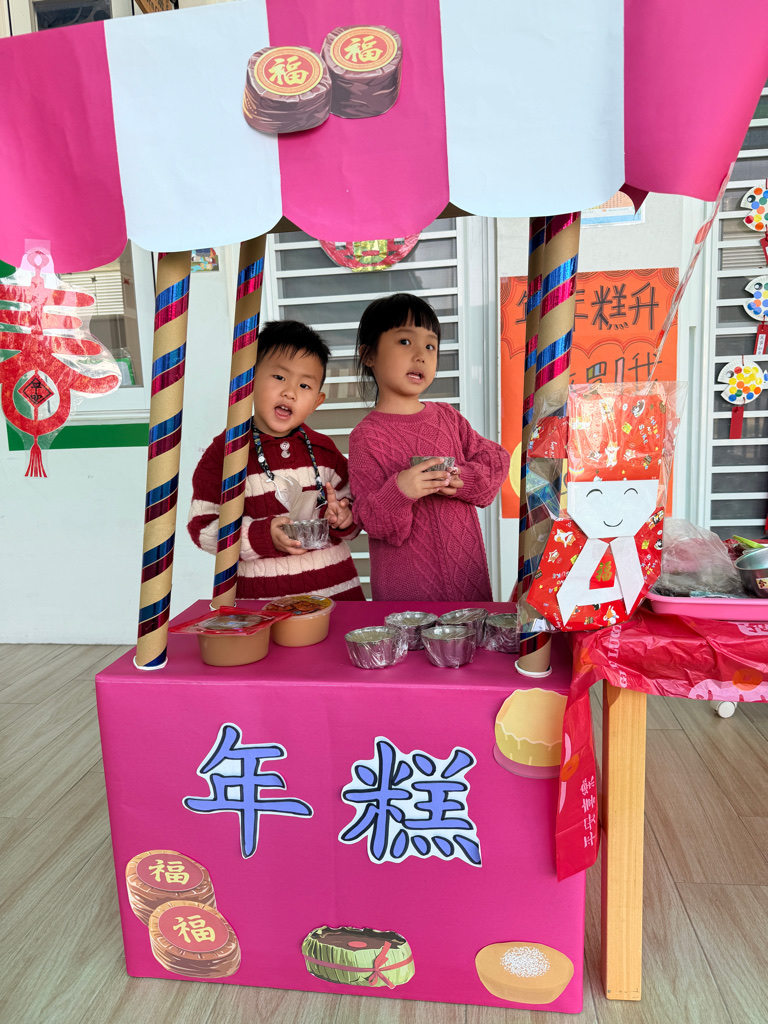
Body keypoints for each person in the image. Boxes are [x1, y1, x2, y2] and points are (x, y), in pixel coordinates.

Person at [348, 293, 510, 602]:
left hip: (467, 579)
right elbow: (371, 520)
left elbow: (496, 460)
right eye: (405, 341)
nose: (420, 355)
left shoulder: (447, 417)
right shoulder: (365, 437)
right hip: (407, 595)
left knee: (473, 632)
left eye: (430, 346)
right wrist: (400, 491)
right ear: (368, 355)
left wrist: (464, 479)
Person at [188, 320, 363, 601]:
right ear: (249, 381)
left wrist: (343, 518)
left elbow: (355, 507)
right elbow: (203, 528)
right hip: (262, 606)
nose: (290, 392)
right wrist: (262, 536)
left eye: (304, 385)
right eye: (280, 377)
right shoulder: (225, 454)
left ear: (316, 401)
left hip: (337, 595)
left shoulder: (325, 451)